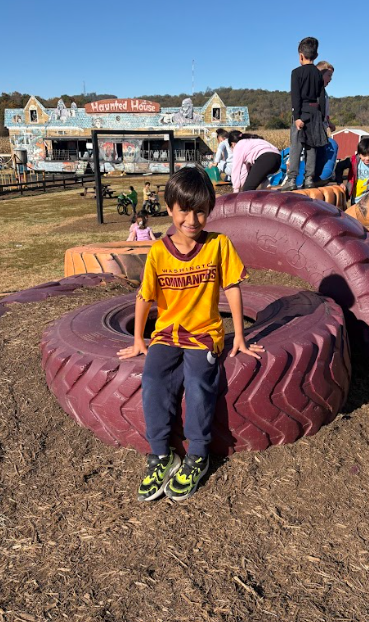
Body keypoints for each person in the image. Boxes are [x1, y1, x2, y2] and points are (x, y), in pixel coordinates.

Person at [117, 166, 264, 502]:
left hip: (203, 335)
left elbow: (234, 288)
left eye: (200, 210)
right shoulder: (158, 251)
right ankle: (160, 455)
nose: (192, 219)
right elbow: (145, 296)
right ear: (170, 209)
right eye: (184, 209)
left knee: (199, 383)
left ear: (209, 210)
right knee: (154, 380)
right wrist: (139, 339)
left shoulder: (219, 246)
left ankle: (198, 454)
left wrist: (238, 335)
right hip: (167, 335)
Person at [281, 37, 327, 191]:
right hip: (315, 113)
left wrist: (297, 116)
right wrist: (320, 117)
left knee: (296, 146)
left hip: (302, 113)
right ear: (316, 55)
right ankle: (309, 179)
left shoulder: (296, 73)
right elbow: (321, 97)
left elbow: (296, 97)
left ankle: (292, 179)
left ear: (301, 55)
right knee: (311, 147)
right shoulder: (318, 74)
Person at [316, 61, 336, 132]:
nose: (330, 79)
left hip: (322, 130)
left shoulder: (324, 92)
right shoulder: (313, 91)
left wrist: (329, 123)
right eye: (329, 75)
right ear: (320, 74)